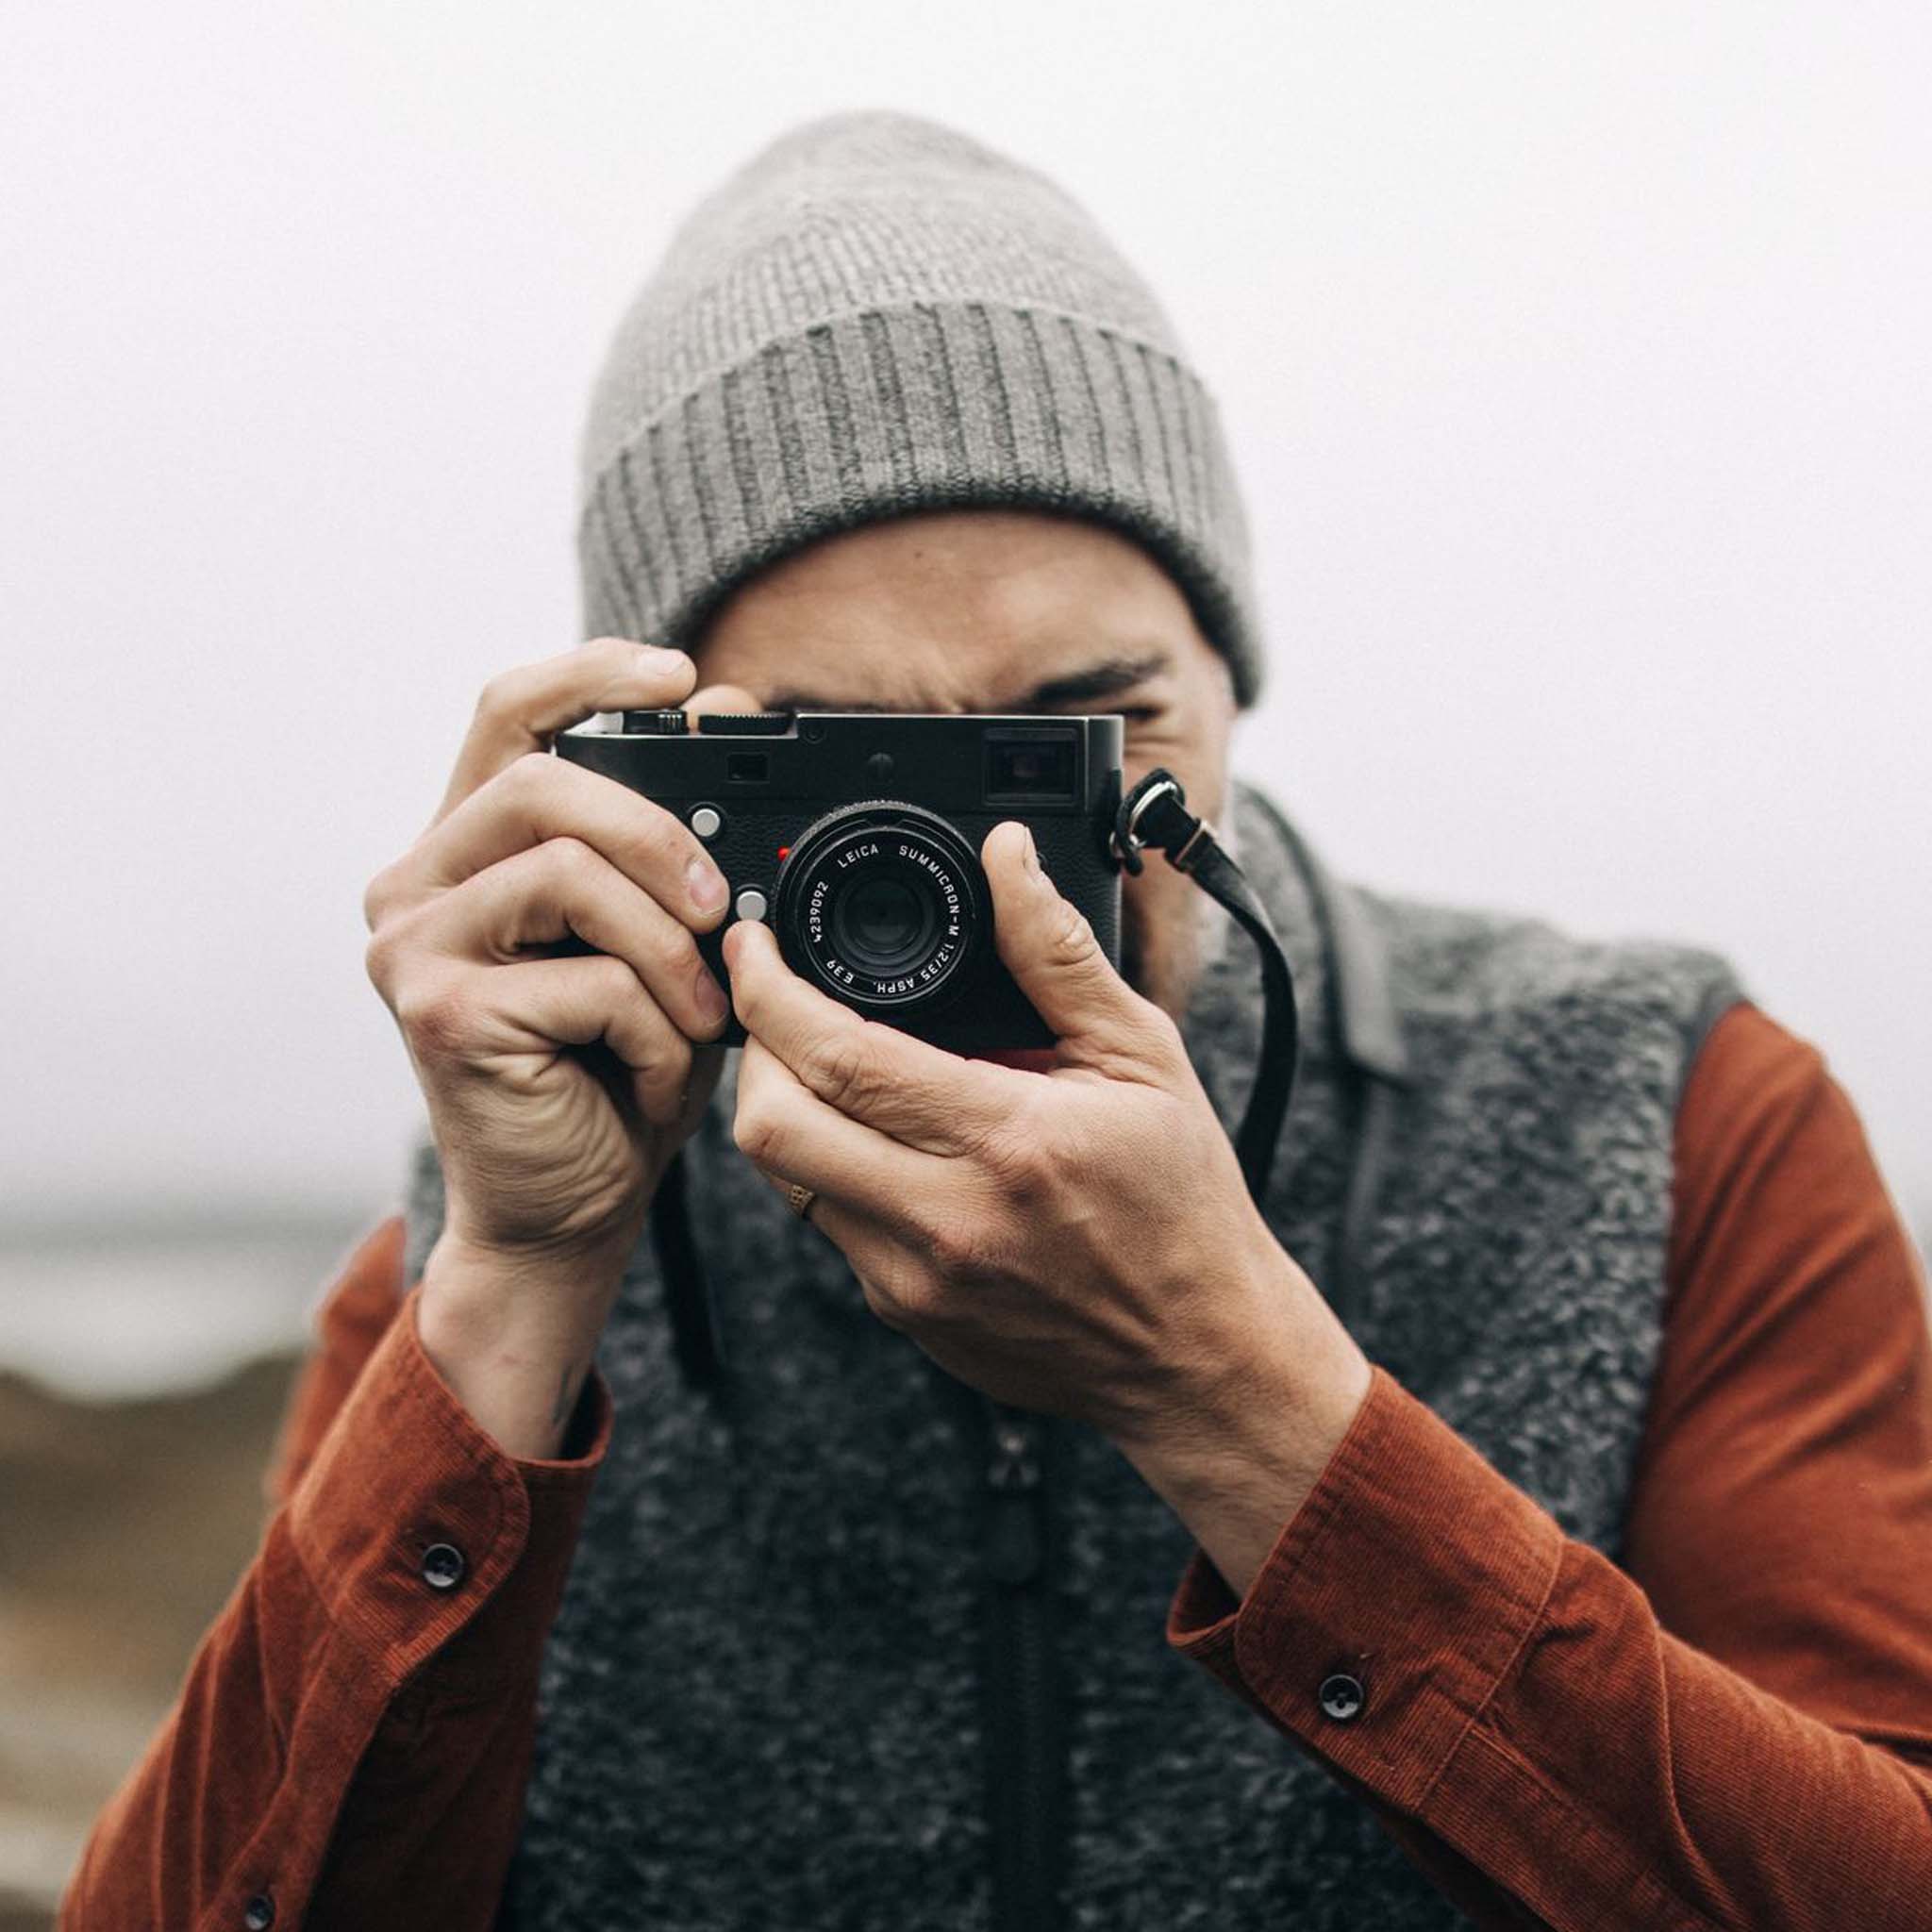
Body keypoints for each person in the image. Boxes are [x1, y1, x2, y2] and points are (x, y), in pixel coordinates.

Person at [63, 110, 1932, 1932]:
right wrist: (516, 1289)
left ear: (1226, 675)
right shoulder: (512, 1220)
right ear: (650, 774)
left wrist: (1241, 1396)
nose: (959, 867)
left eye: (1073, 739)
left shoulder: (1658, 1114)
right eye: (848, 769)